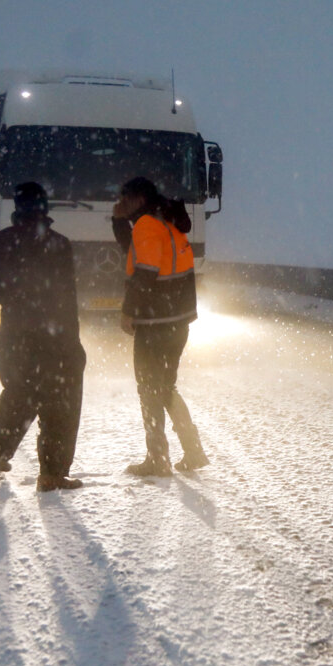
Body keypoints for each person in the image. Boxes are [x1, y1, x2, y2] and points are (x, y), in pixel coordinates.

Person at [0, 182, 86, 491]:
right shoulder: (59, 244)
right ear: (45, 208)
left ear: (17, 207)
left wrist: (16, 300)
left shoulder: (2, 241)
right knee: (60, 403)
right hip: (55, 336)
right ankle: (52, 474)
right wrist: (72, 341)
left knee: (18, 393)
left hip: (14, 333)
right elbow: (68, 299)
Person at [111, 177, 209, 477]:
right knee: (165, 388)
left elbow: (145, 270)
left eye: (124, 198)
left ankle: (158, 459)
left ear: (139, 199)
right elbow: (135, 250)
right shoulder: (167, 222)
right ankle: (193, 451)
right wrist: (118, 221)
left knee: (149, 390)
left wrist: (128, 311)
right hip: (177, 322)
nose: (120, 202)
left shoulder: (147, 225)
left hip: (155, 322)